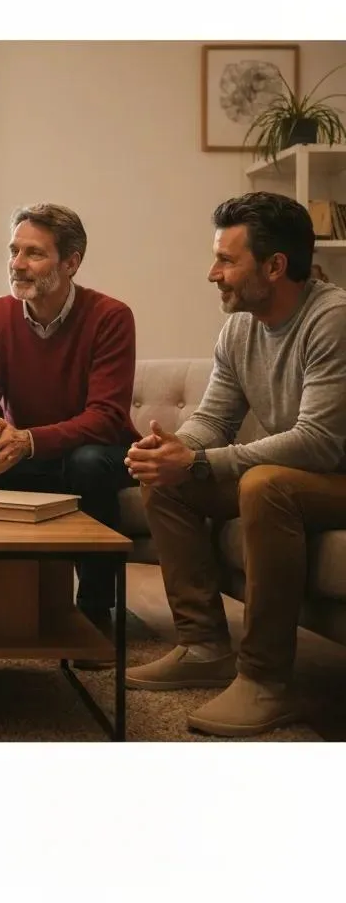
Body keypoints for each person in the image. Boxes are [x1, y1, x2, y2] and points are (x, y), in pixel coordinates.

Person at [125, 191, 346, 737]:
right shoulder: (240, 327)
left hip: (333, 473)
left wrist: (200, 461)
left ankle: (267, 679)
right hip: (305, 475)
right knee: (166, 478)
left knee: (265, 485)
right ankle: (202, 645)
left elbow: (319, 442)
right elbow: (214, 420)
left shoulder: (333, 319)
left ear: (274, 266)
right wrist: (174, 450)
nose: (212, 273)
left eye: (226, 260)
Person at [0, 203, 139, 649]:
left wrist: (29, 441)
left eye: (34, 253)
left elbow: (105, 418)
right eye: (14, 251)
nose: (17, 264)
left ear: (71, 262)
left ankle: (94, 606)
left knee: (87, 464)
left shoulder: (110, 317)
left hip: (95, 450)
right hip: (27, 450)